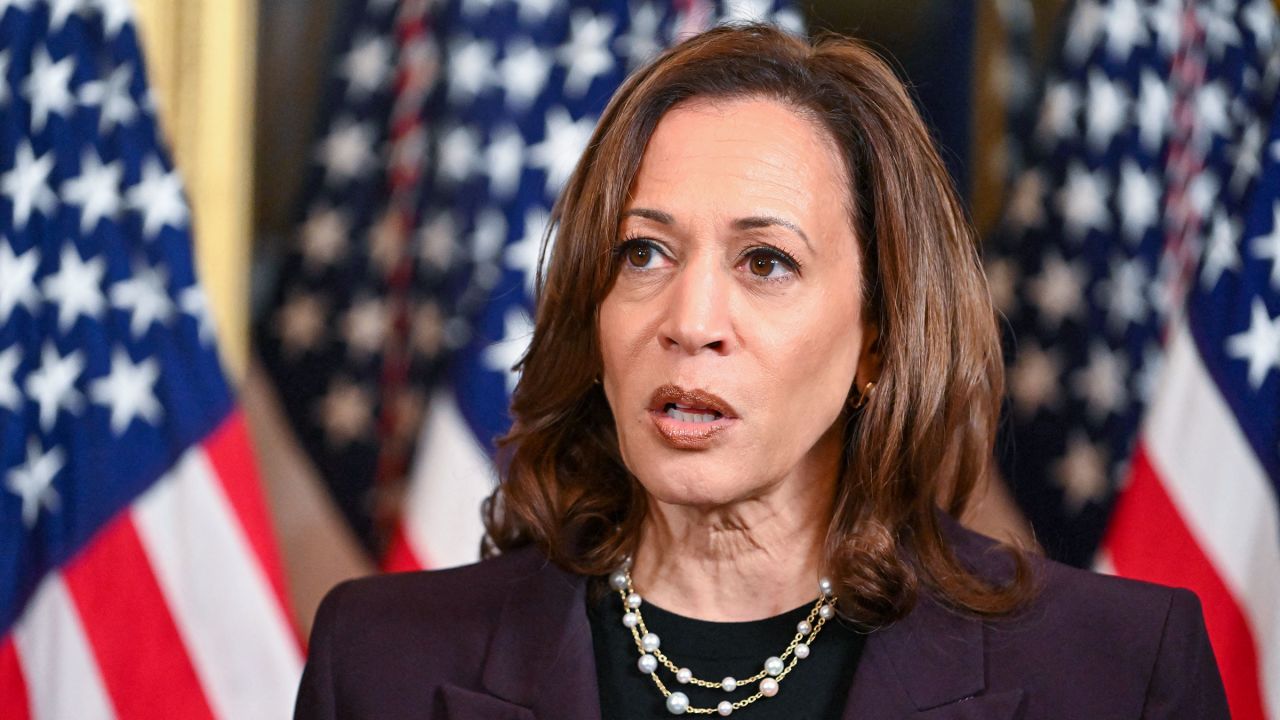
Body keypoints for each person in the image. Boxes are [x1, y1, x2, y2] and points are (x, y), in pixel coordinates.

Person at [293, 24, 1228, 720]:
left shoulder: (1117, 671)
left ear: (877, 338)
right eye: (644, 254)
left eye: (766, 262)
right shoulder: (380, 663)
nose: (691, 323)